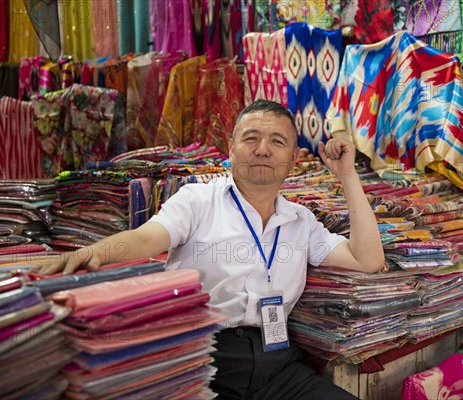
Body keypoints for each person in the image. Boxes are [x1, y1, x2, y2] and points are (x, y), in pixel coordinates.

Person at [35, 99, 386, 399]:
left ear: (293, 158)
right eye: (251, 138)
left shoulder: (301, 220)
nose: (263, 149)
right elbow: (146, 238)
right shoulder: (197, 200)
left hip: (278, 365)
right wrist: (95, 252)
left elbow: (368, 260)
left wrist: (347, 175)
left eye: (277, 141)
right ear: (231, 148)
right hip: (204, 359)